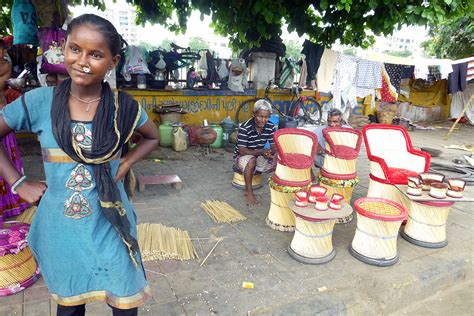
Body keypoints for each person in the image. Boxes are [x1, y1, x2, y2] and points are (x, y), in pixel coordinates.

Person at [0, 14, 159, 316]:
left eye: (96, 54)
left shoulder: (123, 107)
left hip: (111, 220)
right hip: (62, 227)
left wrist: (124, 164)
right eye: (75, 49)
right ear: (63, 48)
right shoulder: (40, 101)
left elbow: (151, 137)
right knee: (70, 305)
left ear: (113, 61)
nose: (83, 61)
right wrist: (19, 182)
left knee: (125, 299)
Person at [0, 39, 29, 221]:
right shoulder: (4, 67)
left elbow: (5, 86)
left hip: (3, 121)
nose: (3, 58)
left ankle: (9, 205)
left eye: (3, 54)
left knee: (7, 163)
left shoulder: (4, 66)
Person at [234, 99, 276, 205]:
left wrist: (270, 152)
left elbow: (274, 146)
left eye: (267, 117)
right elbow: (242, 150)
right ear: (254, 114)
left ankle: (277, 188)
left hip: (259, 155)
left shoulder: (270, 126)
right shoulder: (245, 127)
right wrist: (261, 152)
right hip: (243, 157)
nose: (263, 120)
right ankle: (249, 191)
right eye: (260, 116)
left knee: (279, 157)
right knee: (251, 160)